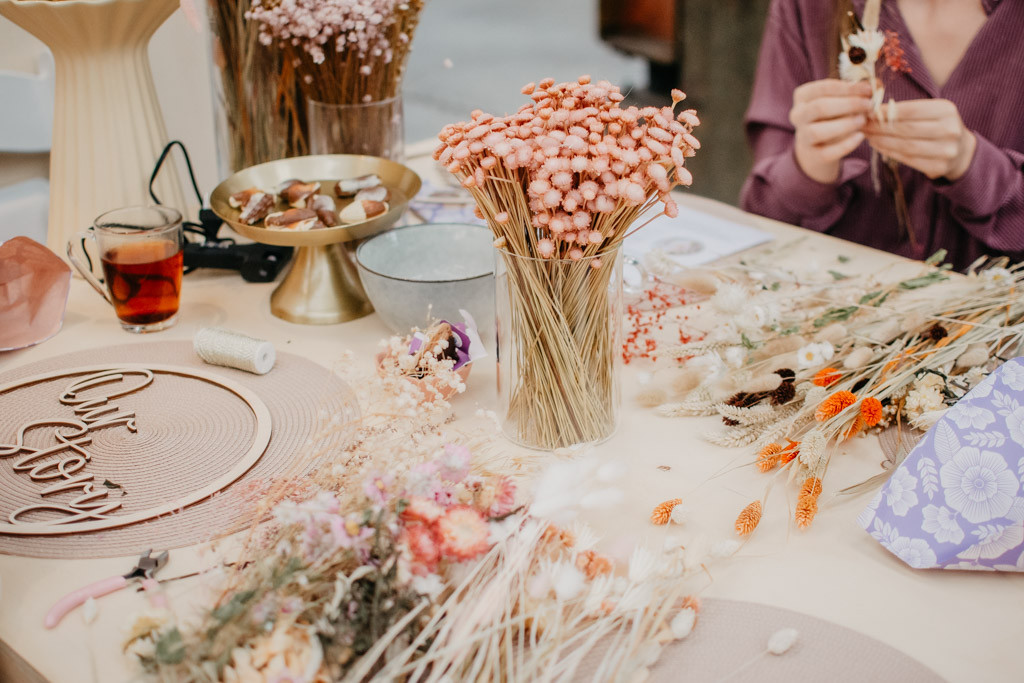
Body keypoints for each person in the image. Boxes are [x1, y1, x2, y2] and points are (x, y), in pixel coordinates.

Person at [740, 0, 1024, 270]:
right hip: (836, 302)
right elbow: (762, 220)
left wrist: (975, 169)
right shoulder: (808, 8)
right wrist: (809, 167)